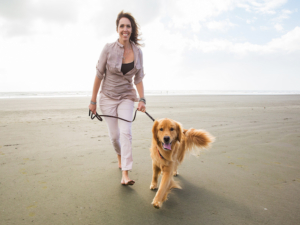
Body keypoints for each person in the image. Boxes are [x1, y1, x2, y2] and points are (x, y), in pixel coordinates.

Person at [89, 11, 146, 186]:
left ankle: (125, 173)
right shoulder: (108, 49)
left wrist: (142, 99)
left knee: (126, 132)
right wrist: (93, 101)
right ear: (117, 29)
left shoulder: (138, 52)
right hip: (107, 97)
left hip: (127, 97)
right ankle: (120, 156)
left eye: (128, 26)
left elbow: (139, 78)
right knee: (115, 136)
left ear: (131, 29)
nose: (125, 29)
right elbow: (99, 75)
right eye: (122, 26)